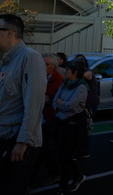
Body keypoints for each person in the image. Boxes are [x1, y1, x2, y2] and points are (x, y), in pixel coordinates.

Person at [0, 14, 46, 195]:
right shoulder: (5, 62)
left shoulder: (30, 58)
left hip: (17, 146)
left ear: (10, 33)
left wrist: (22, 141)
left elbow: (34, 103)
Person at [53, 57, 88, 194]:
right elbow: (56, 102)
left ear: (76, 72)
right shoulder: (65, 83)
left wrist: (62, 104)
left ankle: (62, 186)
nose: (65, 71)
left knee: (66, 155)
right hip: (62, 123)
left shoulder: (81, 87)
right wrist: (63, 104)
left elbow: (70, 107)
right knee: (62, 154)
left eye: (68, 70)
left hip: (74, 126)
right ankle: (78, 176)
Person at [30, 53, 64, 186]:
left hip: (49, 119)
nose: (43, 66)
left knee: (43, 148)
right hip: (38, 117)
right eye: (42, 63)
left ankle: (53, 173)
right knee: (42, 148)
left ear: (54, 66)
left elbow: (49, 100)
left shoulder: (58, 79)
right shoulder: (38, 76)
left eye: (46, 64)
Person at [75, 54, 98, 159]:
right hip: (80, 102)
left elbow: (86, 76)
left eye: (81, 60)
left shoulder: (88, 72)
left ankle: (84, 150)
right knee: (79, 126)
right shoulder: (75, 73)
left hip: (90, 102)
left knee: (85, 125)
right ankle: (80, 149)